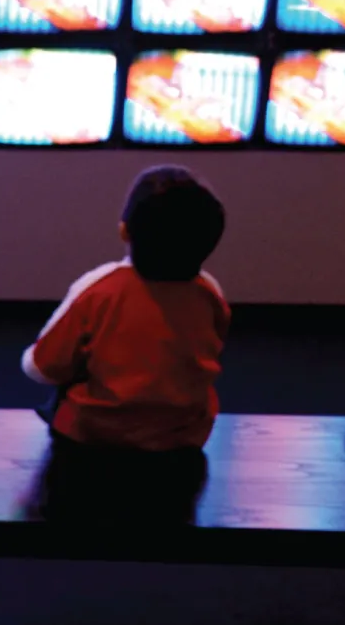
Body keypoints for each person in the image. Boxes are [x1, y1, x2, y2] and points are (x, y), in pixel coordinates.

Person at [23, 165, 230, 453]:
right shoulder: (209, 292)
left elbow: (43, 367)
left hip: (93, 437)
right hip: (182, 440)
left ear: (124, 230)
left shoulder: (100, 288)